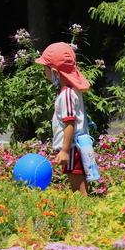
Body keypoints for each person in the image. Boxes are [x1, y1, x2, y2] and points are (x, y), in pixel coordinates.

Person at [35, 42, 91, 194]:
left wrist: (65, 150)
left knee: (78, 189)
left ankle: (83, 215)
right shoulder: (70, 91)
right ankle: (83, 213)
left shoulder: (66, 94)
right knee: (77, 184)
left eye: (45, 69)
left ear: (54, 72)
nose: (44, 72)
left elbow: (70, 123)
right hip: (75, 147)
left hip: (73, 147)